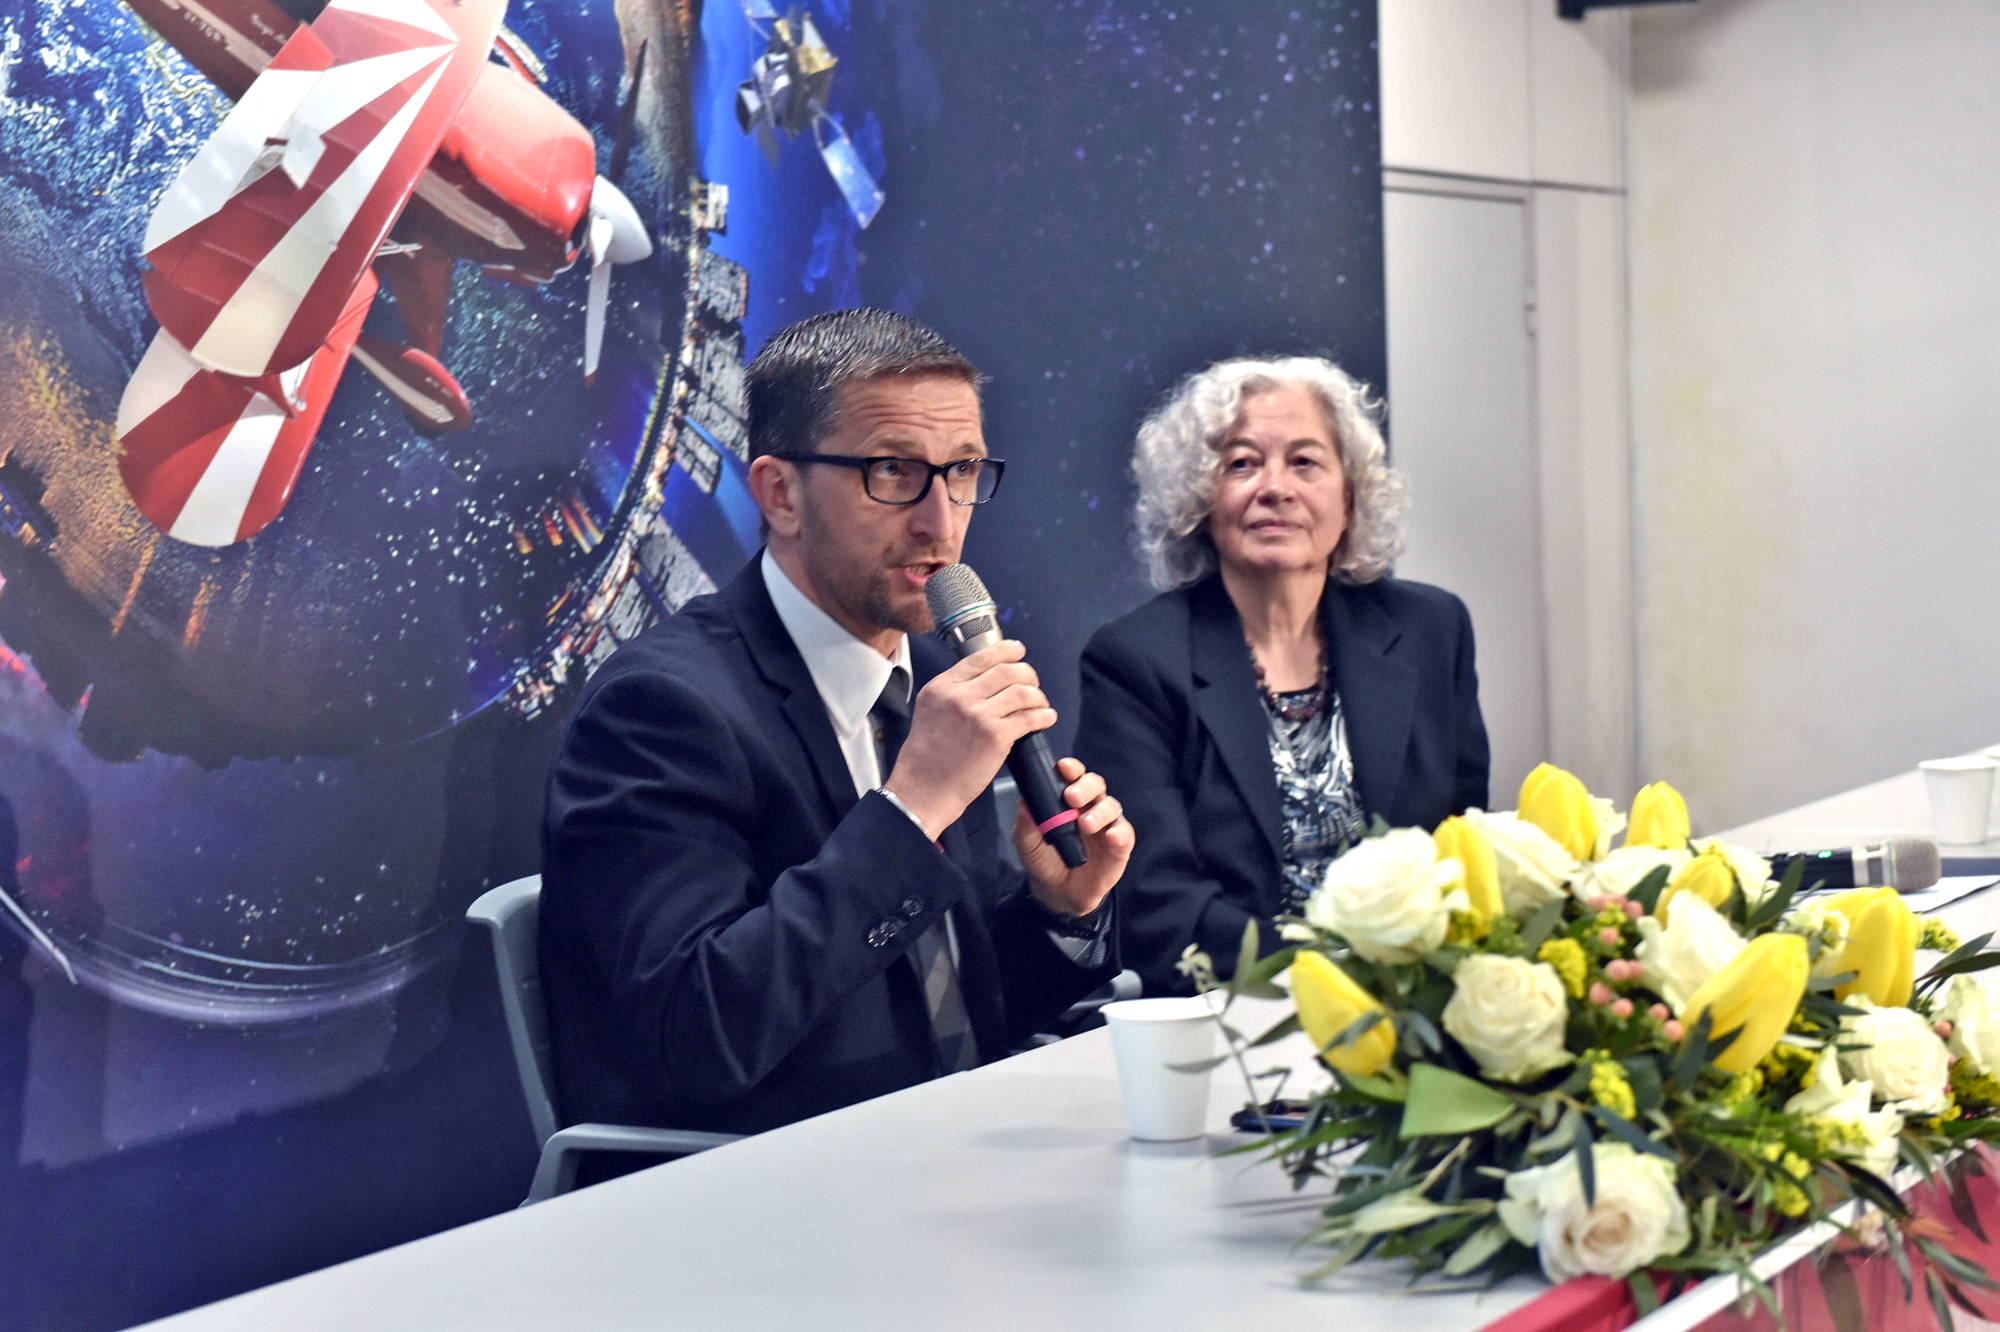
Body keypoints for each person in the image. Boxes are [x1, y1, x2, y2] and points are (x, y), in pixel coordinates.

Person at [540, 308, 1133, 1142]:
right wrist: (911, 810)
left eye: (962, 471)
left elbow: (958, 1010)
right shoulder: (660, 710)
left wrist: (1061, 910)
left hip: (948, 1148)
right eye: (893, 472)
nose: (941, 523)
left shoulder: (933, 683)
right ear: (780, 494)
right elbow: (700, 1032)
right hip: (765, 1184)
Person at [1075, 356, 1488, 996]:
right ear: (1198, 497)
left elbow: (1467, 846)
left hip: (1417, 1006)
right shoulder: (1134, 661)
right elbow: (1157, 908)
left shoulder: (1432, 629)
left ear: (1349, 497)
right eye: (1242, 464)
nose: (1276, 488)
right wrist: (1335, 976)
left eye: (1305, 462)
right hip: (1236, 1011)